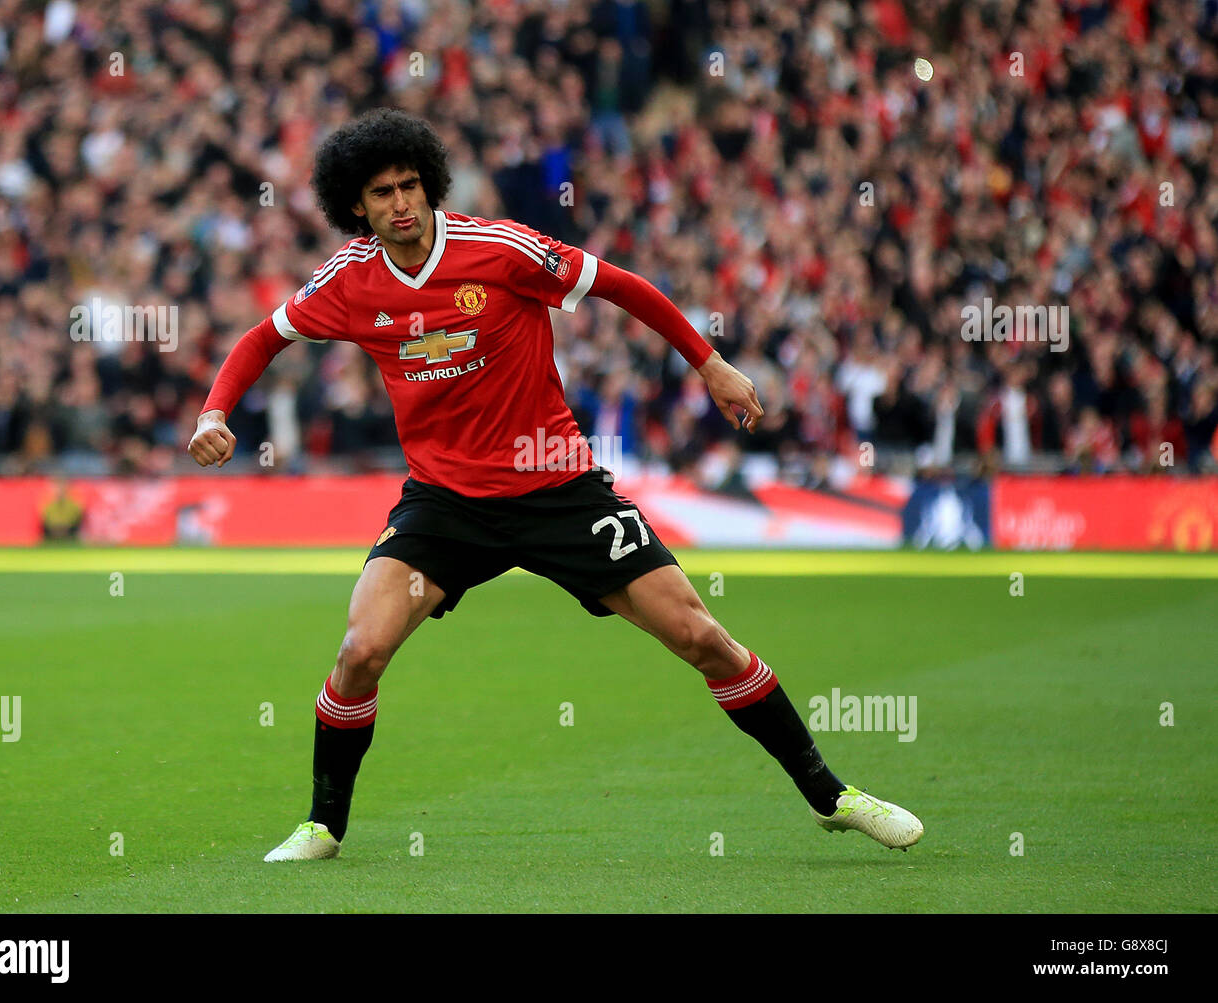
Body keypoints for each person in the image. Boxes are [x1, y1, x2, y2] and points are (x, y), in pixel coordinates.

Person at [187, 109, 922, 862]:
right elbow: (261, 338)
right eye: (383, 193)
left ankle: (833, 796)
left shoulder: (499, 248)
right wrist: (215, 410)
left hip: (556, 485)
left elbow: (622, 286)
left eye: (412, 185)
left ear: (431, 185)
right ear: (357, 205)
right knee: (359, 650)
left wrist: (709, 361)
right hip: (445, 503)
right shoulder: (351, 279)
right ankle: (322, 825)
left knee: (702, 636)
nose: (402, 202)